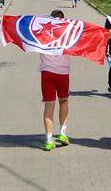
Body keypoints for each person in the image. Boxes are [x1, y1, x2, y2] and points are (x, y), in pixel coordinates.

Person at [40, 10, 72, 152]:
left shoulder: (41, 34)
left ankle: (48, 140)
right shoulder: (68, 34)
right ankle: (63, 134)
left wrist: (3, 21)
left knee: (49, 105)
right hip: (63, 72)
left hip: (47, 72)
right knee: (63, 101)